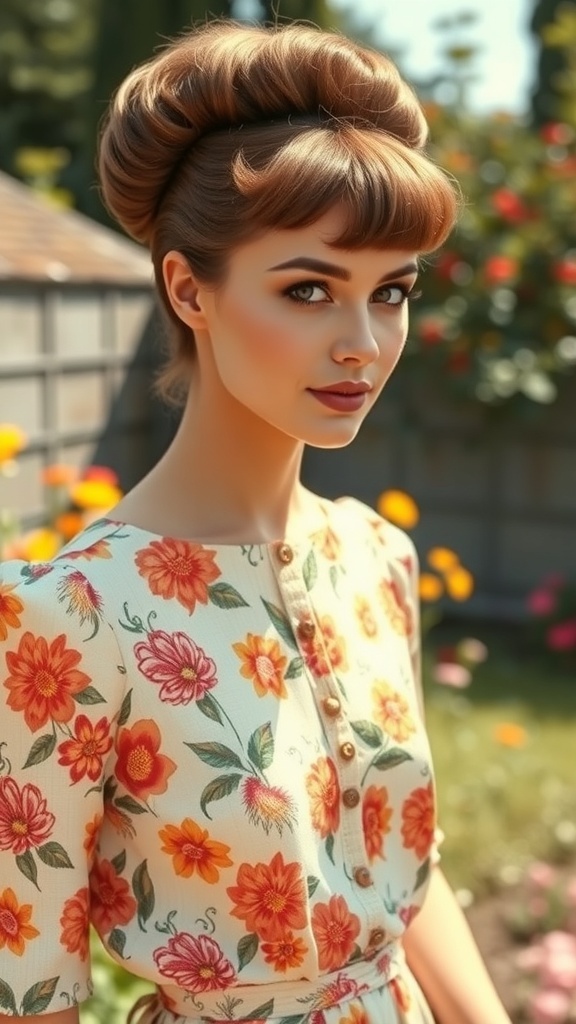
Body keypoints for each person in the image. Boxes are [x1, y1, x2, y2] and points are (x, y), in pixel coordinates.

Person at [0, 18, 512, 1024]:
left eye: (392, 292)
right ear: (190, 288)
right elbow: (30, 990)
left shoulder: (376, 557)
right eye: (310, 289)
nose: (364, 343)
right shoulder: (70, 613)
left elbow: (412, 879)